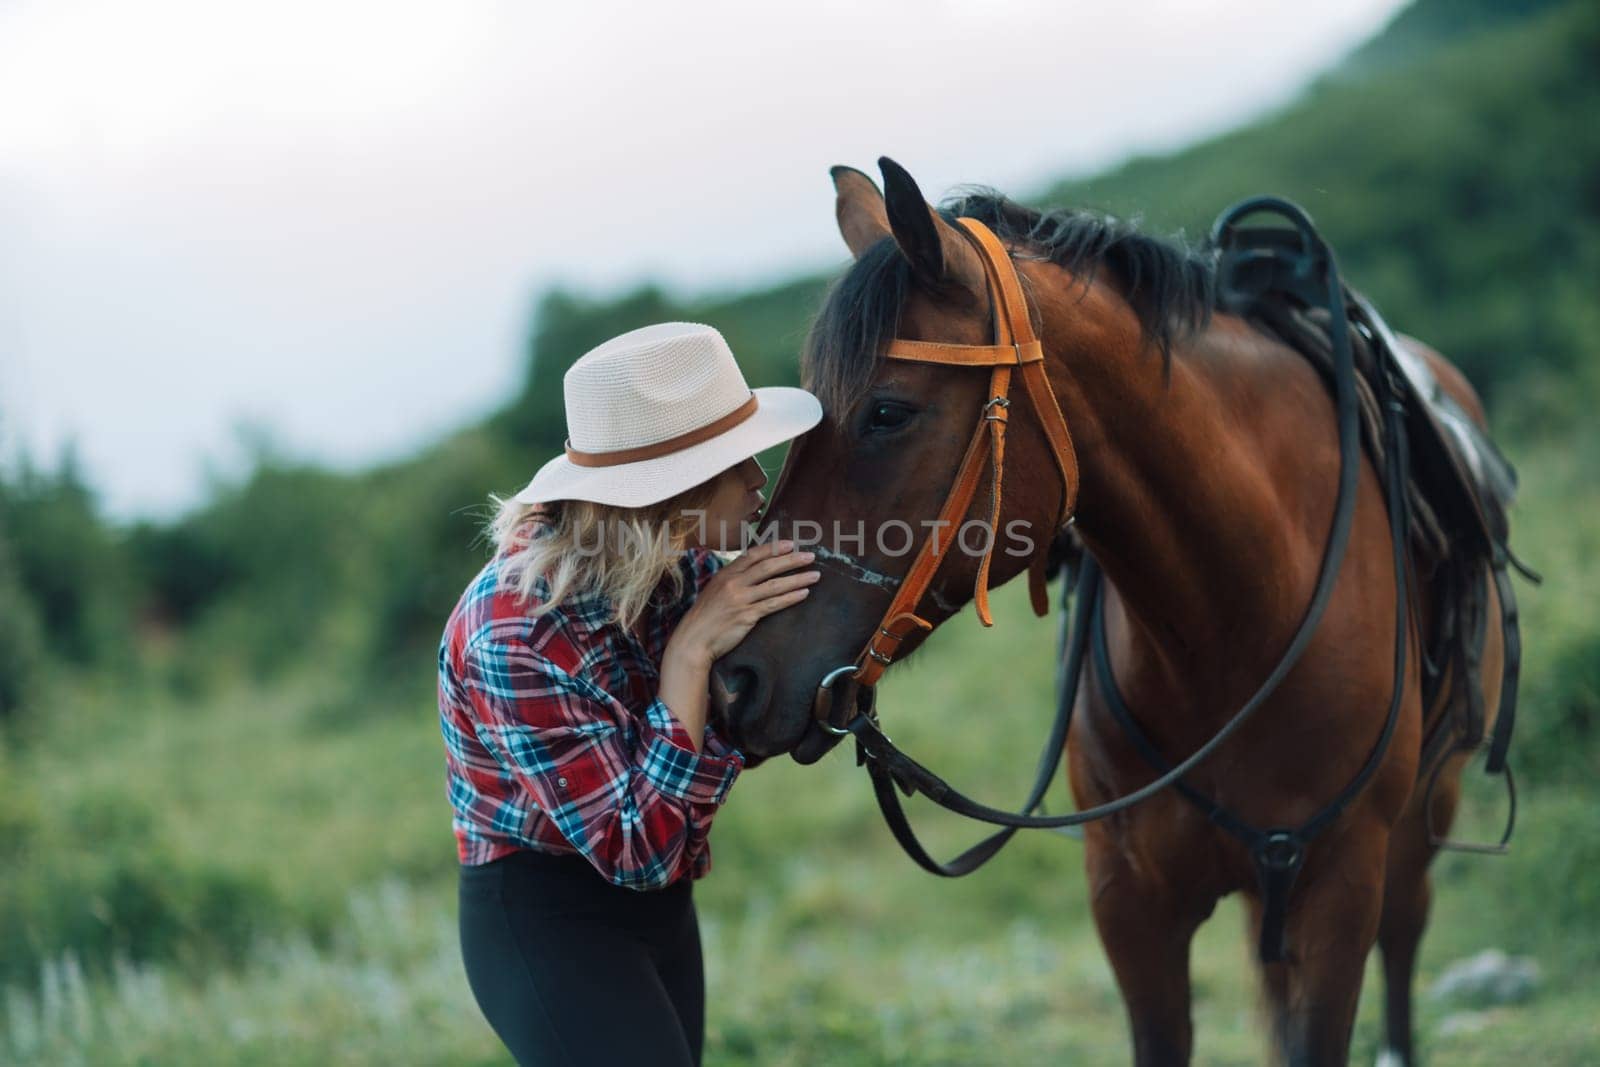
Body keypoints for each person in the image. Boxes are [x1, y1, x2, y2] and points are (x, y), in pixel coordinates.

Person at [437, 322, 823, 1066]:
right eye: (732, 461)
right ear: (668, 495)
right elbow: (636, 845)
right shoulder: (515, 636)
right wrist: (688, 654)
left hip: (663, 902)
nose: (758, 479)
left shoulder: (683, 564)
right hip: (546, 915)